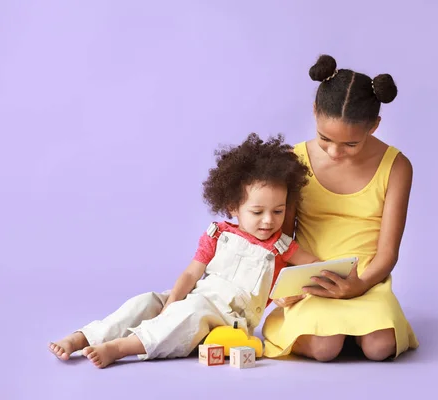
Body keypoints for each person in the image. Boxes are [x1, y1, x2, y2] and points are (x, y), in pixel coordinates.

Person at [48, 133, 319, 368]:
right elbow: (191, 274)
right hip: (195, 296)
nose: (269, 221)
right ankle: (83, 337)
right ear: (233, 208)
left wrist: (291, 293)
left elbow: (317, 270)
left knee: (192, 313)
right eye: (257, 212)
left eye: (278, 211)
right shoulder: (219, 234)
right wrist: (171, 303)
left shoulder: (281, 246)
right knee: (146, 302)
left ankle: (120, 348)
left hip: (227, 318)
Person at [261, 54, 419, 362]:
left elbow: (388, 253)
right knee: (324, 348)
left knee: (380, 348)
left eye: (350, 145)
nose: (335, 152)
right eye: (325, 139)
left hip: (367, 279)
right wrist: (283, 284)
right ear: (314, 112)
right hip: (310, 281)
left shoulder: (396, 166)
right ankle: (312, 330)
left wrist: (359, 284)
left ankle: (350, 330)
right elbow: (282, 236)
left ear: (374, 126)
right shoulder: (296, 160)